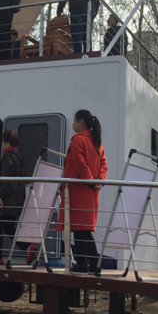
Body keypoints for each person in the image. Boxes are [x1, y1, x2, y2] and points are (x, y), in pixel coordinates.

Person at [58, 109, 108, 274]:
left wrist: (90, 181)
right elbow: (103, 165)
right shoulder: (96, 143)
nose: (73, 124)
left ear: (81, 122)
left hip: (78, 190)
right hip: (92, 193)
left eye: (74, 121)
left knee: (79, 228)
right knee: (85, 229)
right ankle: (94, 264)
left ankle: (82, 264)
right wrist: (98, 181)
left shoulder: (78, 140)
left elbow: (80, 164)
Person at [0, 130, 26, 264]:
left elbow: (3, 179)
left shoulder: (7, 158)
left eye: (3, 142)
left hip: (6, 199)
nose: (3, 145)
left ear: (7, 142)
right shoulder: (19, 157)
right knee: (8, 226)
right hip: (16, 199)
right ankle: (28, 247)